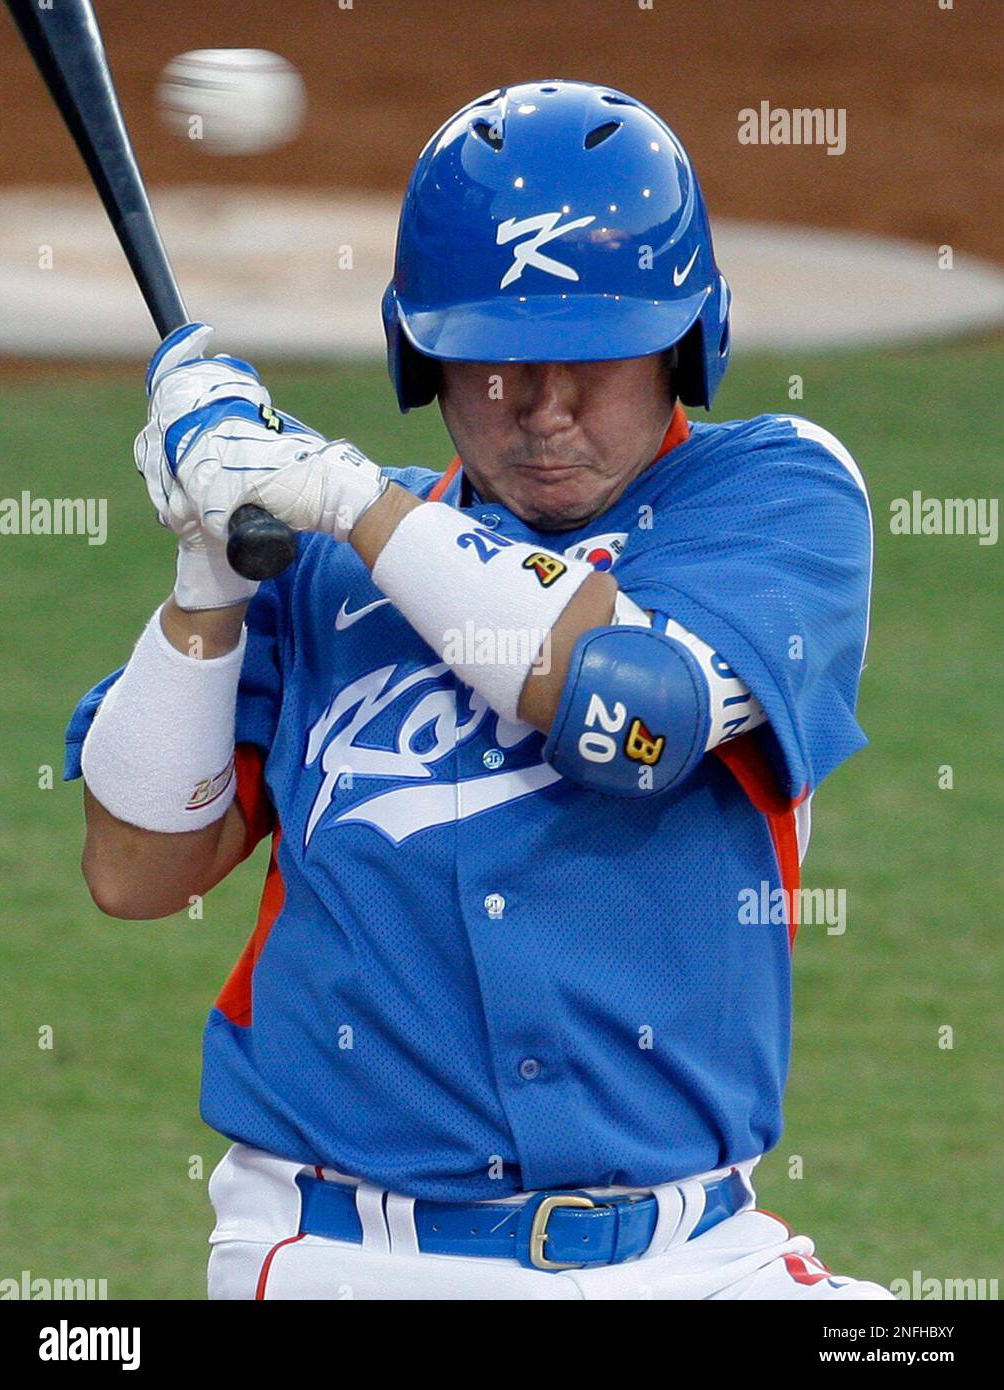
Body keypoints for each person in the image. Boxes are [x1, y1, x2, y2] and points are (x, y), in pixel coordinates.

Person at [65, 80, 892, 1300]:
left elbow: (636, 713)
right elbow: (134, 870)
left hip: (700, 1257)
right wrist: (207, 566)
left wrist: (345, 498)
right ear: (422, 352)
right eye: (500, 365)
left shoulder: (773, 497)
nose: (545, 411)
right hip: (350, 1258)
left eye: (594, 361)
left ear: (685, 344)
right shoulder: (320, 570)